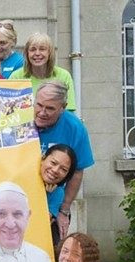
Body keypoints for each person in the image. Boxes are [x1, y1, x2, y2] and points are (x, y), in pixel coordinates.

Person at [34, 81, 95, 239]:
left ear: (63, 107)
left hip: (53, 203)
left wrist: (64, 211)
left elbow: (77, 172)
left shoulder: (75, 128)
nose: (41, 112)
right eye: (39, 105)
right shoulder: (20, 118)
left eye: (50, 108)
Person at [10, 32, 77, 110]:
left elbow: (69, 110)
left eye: (42, 49)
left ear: (50, 53)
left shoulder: (64, 76)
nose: (37, 53)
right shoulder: (16, 77)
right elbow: (9, 108)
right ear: (27, 53)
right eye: (32, 50)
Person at [41, 144, 77, 247]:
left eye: (63, 169)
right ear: (43, 158)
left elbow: (42, 221)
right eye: (53, 163)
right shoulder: (24, 177)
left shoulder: (58, 193)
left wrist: (46, 195)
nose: (55, 170)